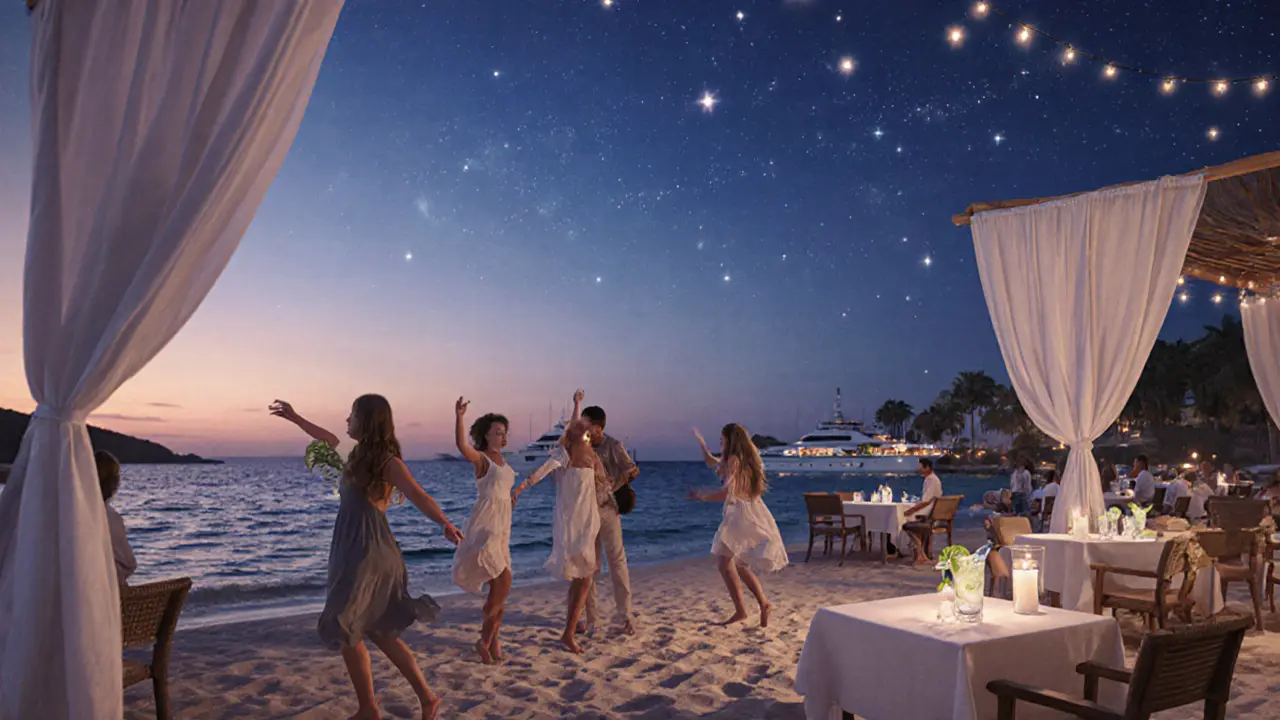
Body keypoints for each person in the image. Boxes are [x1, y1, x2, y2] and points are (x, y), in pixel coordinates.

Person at [271, 397, 462, 720]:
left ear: (368, 421)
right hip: (351, 549)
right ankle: (425, 699)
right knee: (379, 632)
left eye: (353, 415)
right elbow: (326, 439)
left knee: (343, 623)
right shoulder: (355, 456)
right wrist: (295, 417)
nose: (347, 420)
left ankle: (369, 708)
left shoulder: (388, 462)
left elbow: (417, 494)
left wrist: (443, 523)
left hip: (369, 551)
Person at [511, 390, 601, 654]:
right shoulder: (565, 454)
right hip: (573, 523)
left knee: (582, 577)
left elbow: (574, 424)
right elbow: (540, 472)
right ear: (574, 436)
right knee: (584, 576)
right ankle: (569, 632)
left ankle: (573, 625)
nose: (586, 432)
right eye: (582, 430)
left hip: (589, 519)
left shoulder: (587, 453)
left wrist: (577, 403)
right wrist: (520, 488)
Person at [690, 424, 787, 627]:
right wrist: (701, 444)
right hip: (751, 512)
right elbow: (711, 461)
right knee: (739, 565)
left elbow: (729, 492)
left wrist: (702, 496)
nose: (721, 443)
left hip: (739, 516)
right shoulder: (741, 461)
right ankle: (763, 604)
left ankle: (742, 611)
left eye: (722, 439)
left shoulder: (734, 461)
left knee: (725, 564)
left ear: (730, 440)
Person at [451, 398, 514, 665]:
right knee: (502, 583)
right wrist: (459, 417)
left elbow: (502, 491)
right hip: (485, 527)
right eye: (497, 432)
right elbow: (462, 446)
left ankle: (493, 642)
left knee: (498, 590)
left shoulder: (504, 461)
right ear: (485, 435)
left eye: (504, 432)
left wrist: (509, 499)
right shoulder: (484, 459)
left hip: (502, 529)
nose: (501, 436)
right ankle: (484, 641)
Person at [580, 402, 640, 636]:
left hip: (607, 509)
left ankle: (624, 616)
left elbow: (633, 470)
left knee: (617, 562)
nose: (584, 430)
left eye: (587, 425)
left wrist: (612, 485)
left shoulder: (613, 445)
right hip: (586, 511)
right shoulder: (582, 445)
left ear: (598, 427)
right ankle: (591, 618)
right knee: (589, 565)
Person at [96, 450, 137, 585]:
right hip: (112, 598)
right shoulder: (110, 518)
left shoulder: (69, 516)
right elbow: (129, 564)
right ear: (113, 483)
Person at [900, 458, 944, 566]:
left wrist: (910, 511)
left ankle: (919, 553)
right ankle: (920, 553)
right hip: (931, 513)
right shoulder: (933, 479)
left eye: (920, 467)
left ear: (927, 468)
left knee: (904, 522)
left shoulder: (931, 480)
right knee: (905, 517)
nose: (919, 470)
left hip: (927, 515)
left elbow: (925, 501)